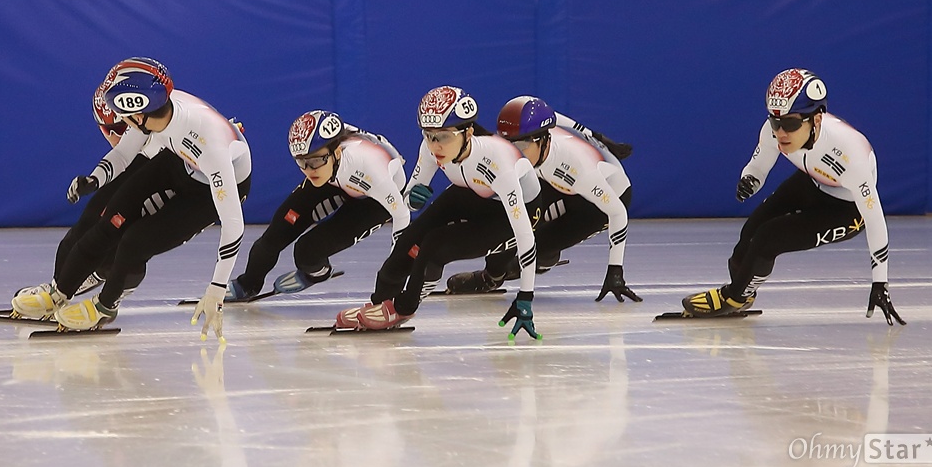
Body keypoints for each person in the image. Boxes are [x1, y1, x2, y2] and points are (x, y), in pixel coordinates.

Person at [11, 57, 253, 341]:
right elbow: (124, 154)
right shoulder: (157, 111)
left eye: (123, 118)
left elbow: (234, 224)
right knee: (110, 219)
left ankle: (106, 305)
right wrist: (94, 179)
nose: (123, 124)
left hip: (212, 185)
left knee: (134, 241)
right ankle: (59, 292)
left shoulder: (210, 147)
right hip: (179, 160)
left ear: (139, 114)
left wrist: (216, 288)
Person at [682, 68, 904, 325]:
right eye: (776, 122)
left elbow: (875, 219)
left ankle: (734, 297)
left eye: (790, 124)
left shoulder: (850, 156)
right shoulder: (773, 131)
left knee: (768, 238)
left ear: (817, 120)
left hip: (847, 208)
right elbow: (759, 166)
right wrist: (749, 180)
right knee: (751, 231)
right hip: (813, 181)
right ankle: (744, 290)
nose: (781, 133)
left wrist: (880, 283)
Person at [340, 85, 543, 339]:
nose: (435, 145)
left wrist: (526, 297)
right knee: (408, 240)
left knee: (434, 245)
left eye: (444, 136)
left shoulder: (499, 162)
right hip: (470, 192)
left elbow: (525, 234)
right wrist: (413, 199)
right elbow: (411, 197)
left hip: (515, 210)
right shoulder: (430, 149)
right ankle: (380, 301)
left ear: (468, 132)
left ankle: (404, 308)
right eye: (429, 135)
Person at [445, 96, 642, 303]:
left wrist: (615, 272)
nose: (513, 152)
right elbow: (556, 116)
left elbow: (618, 213)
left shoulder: (578, 169)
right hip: (558, 180)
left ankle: (544, 256)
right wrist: (598, 136)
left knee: (533, 248)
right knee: (510, 226)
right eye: (507, 144)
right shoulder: (537, 134)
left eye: (521, 145)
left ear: (543, 140)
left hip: (600, 200)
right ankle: (493, 275)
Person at [15, 67, 178, 302]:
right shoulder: (147, 125)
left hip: (184, 180)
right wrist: (93, 180)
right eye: (115, 129)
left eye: (125, 127)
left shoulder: (158, 125)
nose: (123, 134)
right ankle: (76, 283)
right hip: (182, 180)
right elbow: (122, 154)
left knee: (103, 226)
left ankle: (66, 287)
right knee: (103, 226)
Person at [225, 110, 408, 301]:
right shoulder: (323, 162)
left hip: (375, 197)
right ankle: (248, 284)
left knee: (307, 252)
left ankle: (318, 272)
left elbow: (402, 216)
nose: (308, 170)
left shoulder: (370, 169)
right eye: (301, 162)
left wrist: (394, 276)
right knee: (276, 233)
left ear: (337, 151)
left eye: (313, 161)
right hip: (334, 177)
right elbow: (317, 163)